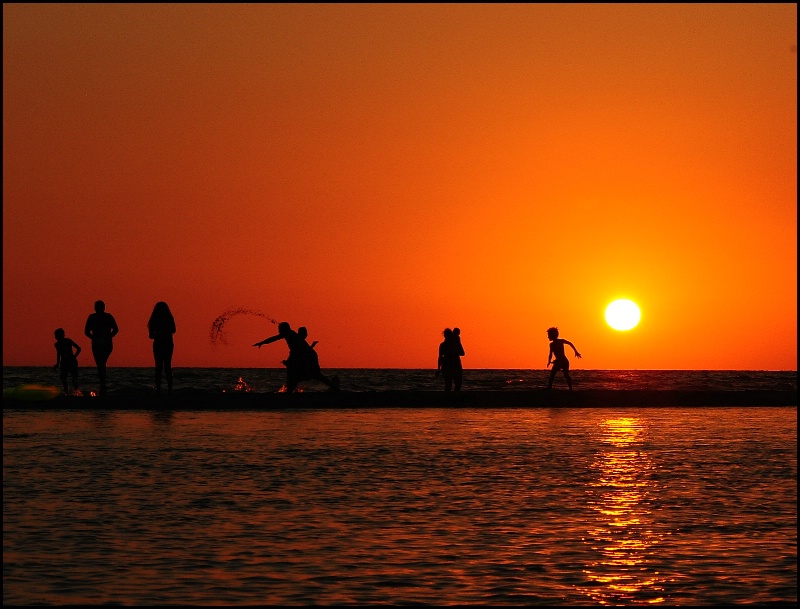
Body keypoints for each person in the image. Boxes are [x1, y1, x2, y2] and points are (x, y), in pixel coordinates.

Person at [254, 322, 338, 393]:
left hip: (309, 355)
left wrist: (262, 342)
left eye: (280, 329)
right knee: (297, 375)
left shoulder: (289, 334)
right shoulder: (291, 334)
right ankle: (290, 392)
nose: (278, 331)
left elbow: (275, 338)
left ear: (284, 329)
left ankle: (334, 387)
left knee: (314, 374)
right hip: (305, 354)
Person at [84, 300, 119, 396]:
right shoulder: (92, 317)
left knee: (101, 363)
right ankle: (102, 385)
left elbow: (116, 329)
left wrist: (108, 337)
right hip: (97, 343)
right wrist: (94, 338)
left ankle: (103, 385)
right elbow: (86, 331)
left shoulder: (107, 316)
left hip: (105, 343)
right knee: (101, 364)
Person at [148, 301, 176, 395]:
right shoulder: (169, 318)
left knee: (158, 367)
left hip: (158, 343)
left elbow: (151, 336)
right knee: (168, 366)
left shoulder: (154, 320)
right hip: (168, 343)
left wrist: (158, 334)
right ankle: (170, 389)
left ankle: (158, 390)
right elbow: (174, 330)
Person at [53, 328, 81, 394]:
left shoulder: (65, 342)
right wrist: (57, 363)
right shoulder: (60, 343)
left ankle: (73, 392)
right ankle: (70, 392)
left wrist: (74, 357)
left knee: (70, 377)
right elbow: (59, 354)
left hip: (69, 361)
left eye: (56, 335)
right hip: (66, 361)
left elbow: (79, 349)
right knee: (67, 378)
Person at [436, 327, 465, 392]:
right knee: (455, 384)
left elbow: (440, 357)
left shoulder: (443, 345)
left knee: (450, 385)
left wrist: (438, 369)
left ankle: (450, 399)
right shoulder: (451, 344)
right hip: (453, 365)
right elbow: (462, 353)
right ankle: (453, 399)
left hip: (450, 365)